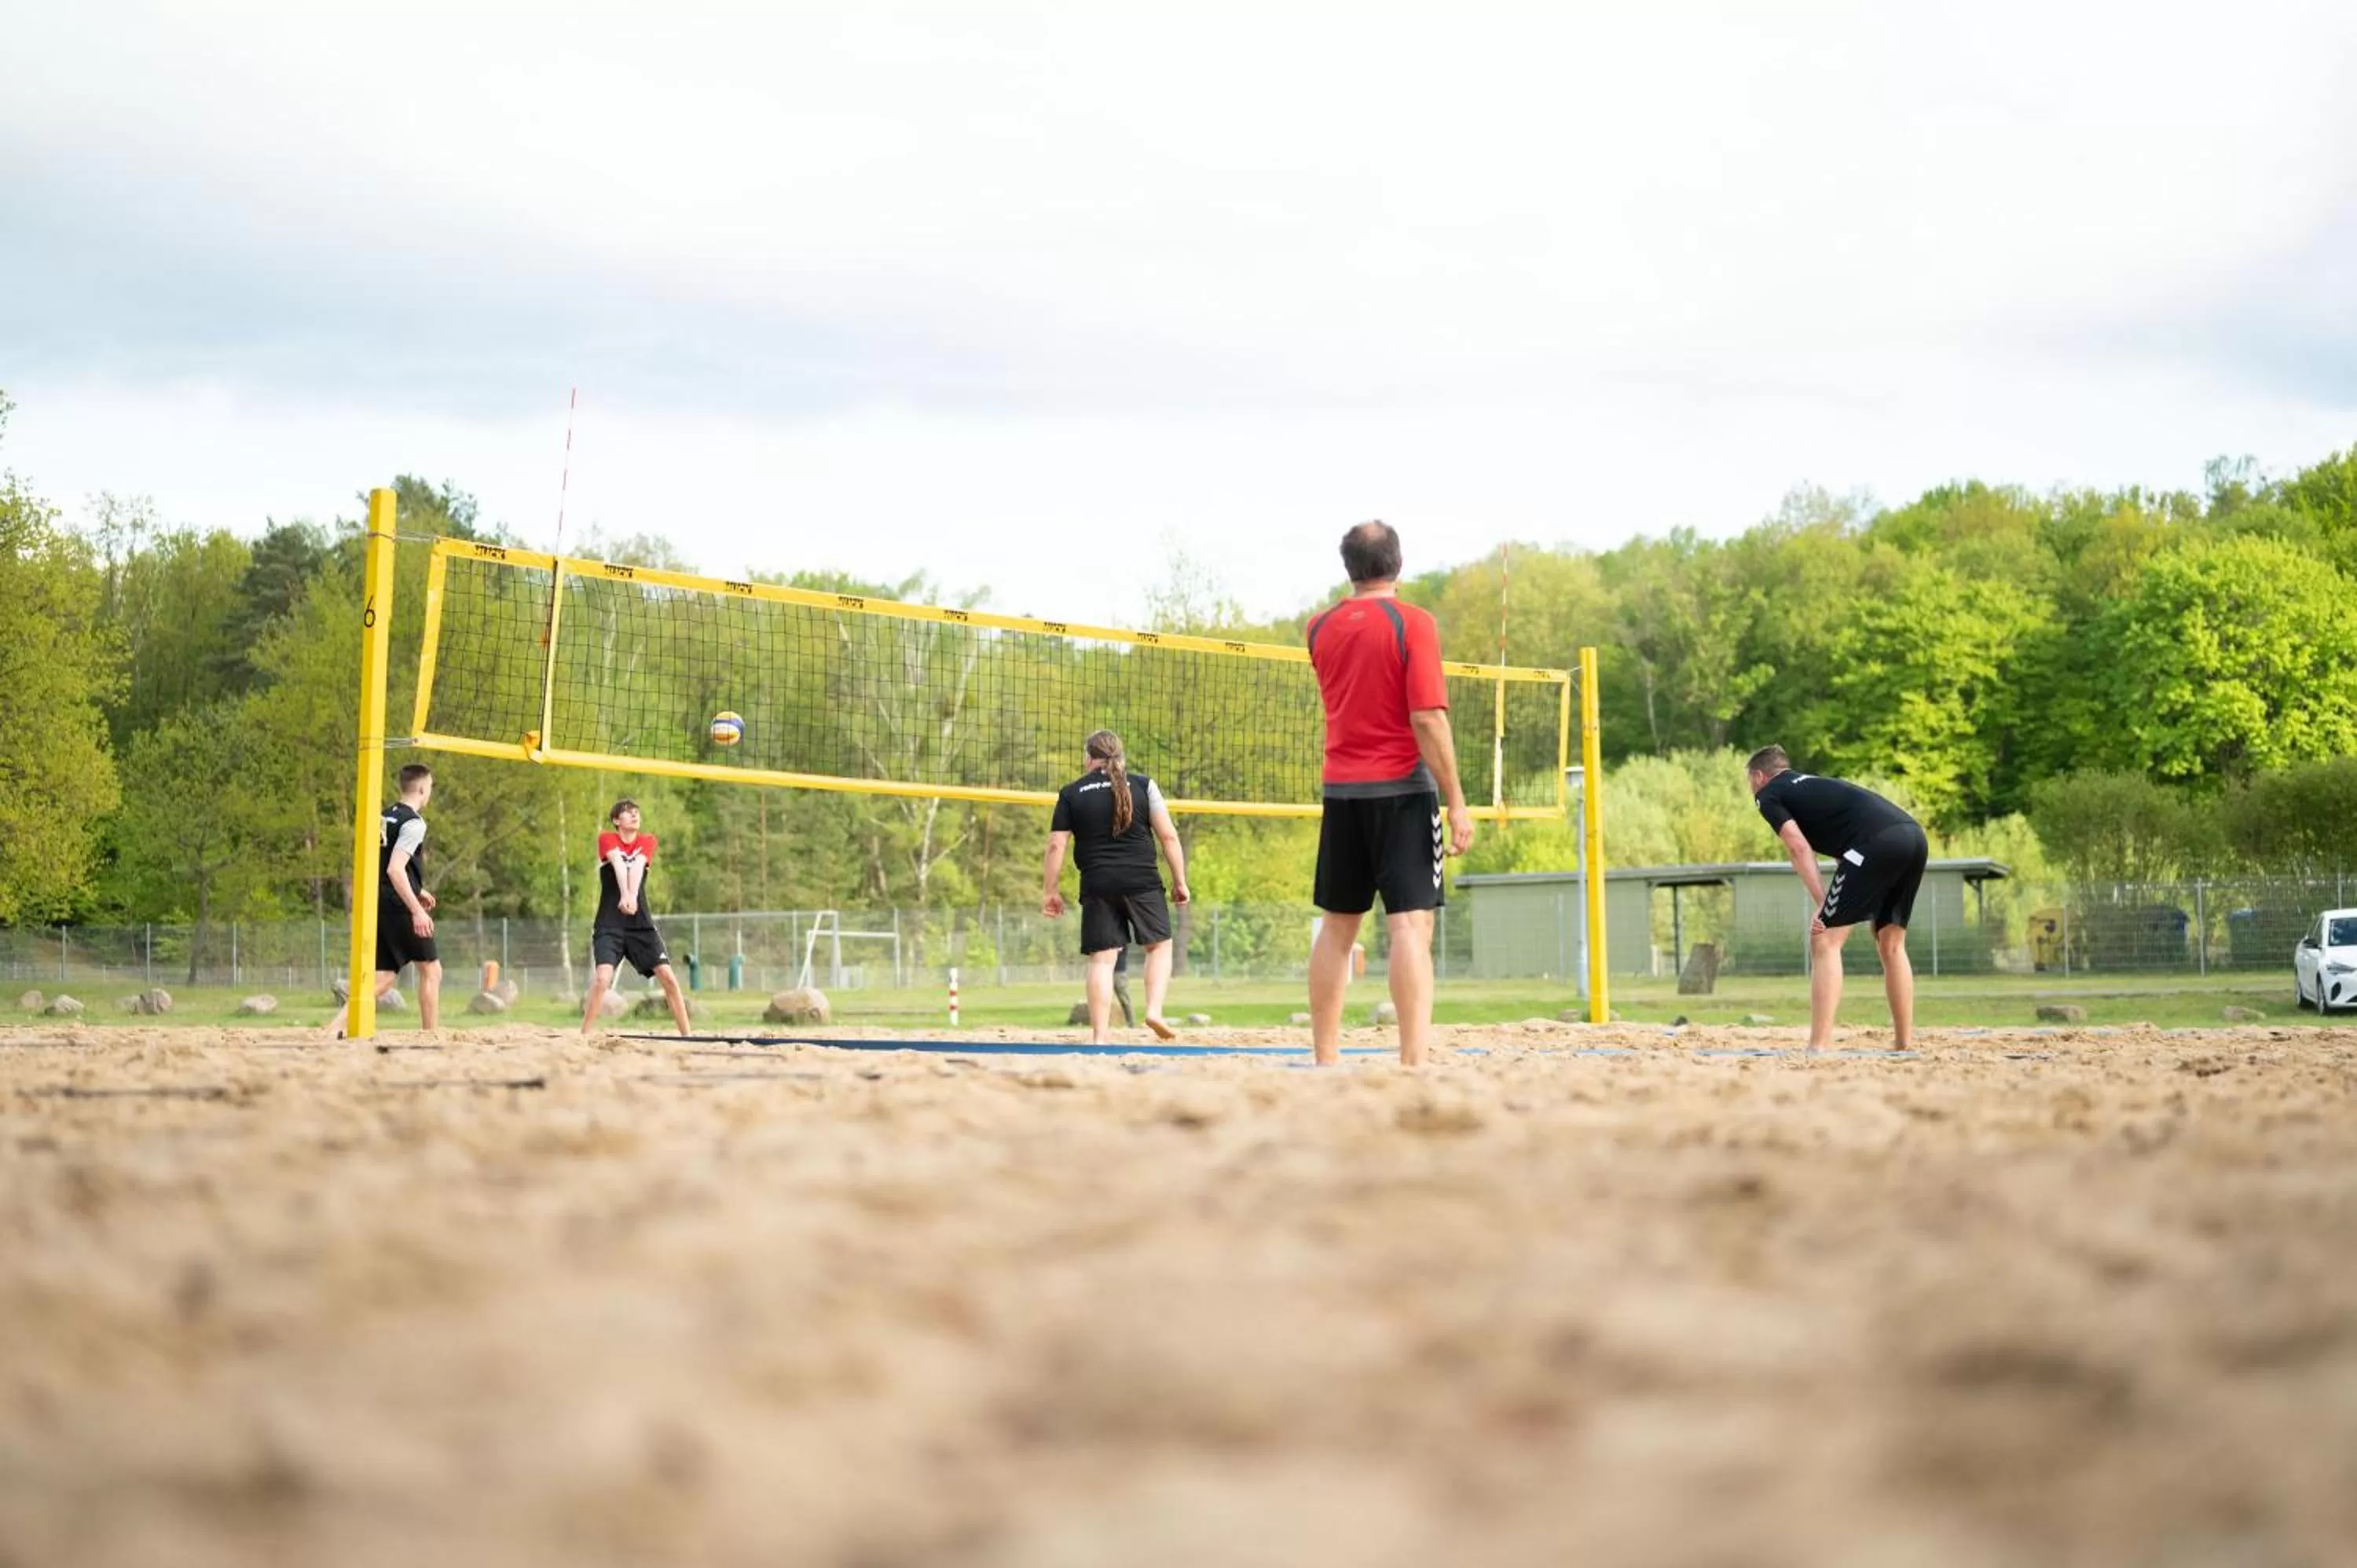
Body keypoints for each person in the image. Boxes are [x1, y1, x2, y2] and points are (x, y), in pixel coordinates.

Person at [1306, 522, 1475, 1067]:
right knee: (1410, 924)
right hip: (1402, 790)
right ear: (1398, 564)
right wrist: (1456, 799)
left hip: (1342, 791)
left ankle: (1326, 1060)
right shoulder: (1414, 623)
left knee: (1337, 925)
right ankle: (1411, 1061)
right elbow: (1426, 717)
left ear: (1348, 566)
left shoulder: (1319, 627)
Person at [1745, 746, 1930, 1052]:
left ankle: (1819, 1045)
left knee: (1825, 939)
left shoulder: (1767, 794)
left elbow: (1798, 848)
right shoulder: (1810, 784)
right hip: (1913, 836)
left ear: (1758, 776)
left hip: (1875, 842)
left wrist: (1822, 903)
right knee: (1891, 944)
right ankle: (1903, 1044)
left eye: (1750, 781)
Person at [1042, 730, 1189, 1042]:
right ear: (1120, 756)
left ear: (1089, 758)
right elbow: (1169, 837)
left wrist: (1050, 891)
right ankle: (1154, 1011)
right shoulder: (1143, 785)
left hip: (1097, 882)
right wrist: (1180, 881)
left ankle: (1100, 1035)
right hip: (1142, 880)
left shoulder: (1071, 792)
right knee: (1159, 946)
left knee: (1102, 959)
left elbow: (1056, 844)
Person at [332, 763, 442, 1035]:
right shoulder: (414, 823)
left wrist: (417, 889)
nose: (429, 793)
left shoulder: (383, 816)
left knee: (385, 976)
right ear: (421, 788)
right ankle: (430, 1035)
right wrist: (416, 909)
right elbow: (395, 869)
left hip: (378, 900)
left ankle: (334, 1026)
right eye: (429, 788)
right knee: (431, 970)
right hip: (398, 904)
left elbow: (382, 864)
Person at [580, 799, 693, 1037]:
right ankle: (584, 1035)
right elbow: (620, 865)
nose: (634, 816)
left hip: (640, 925)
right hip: (609, 924)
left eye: (636, 813)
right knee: (602, 979)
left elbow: (637, 867)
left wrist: (631, 897)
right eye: (628, 813)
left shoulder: (647, 841)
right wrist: (625, 897)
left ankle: (688, 1036)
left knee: (668, 978)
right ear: (616, 821)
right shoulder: (607, 839)